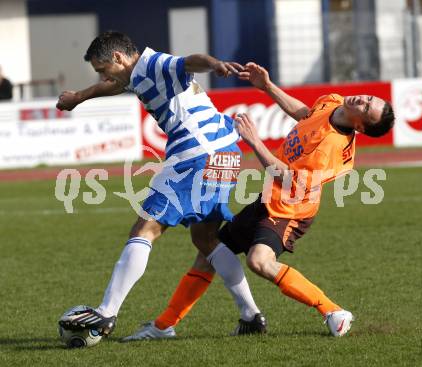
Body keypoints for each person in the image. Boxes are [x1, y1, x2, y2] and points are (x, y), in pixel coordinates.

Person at [128, 62, 395, 340]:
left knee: (259, 260)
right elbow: (306, 115)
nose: (363, 100)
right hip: (269, 200)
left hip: (291, 210)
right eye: (368, 98)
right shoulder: (335, 102)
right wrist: (267, 86)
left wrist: (256, 142)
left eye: (366, 108)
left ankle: (333, 312)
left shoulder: (332, 149)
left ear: (360, 125)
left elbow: (289, 180)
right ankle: (164, 325)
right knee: (209, 255)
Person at [56, 31, 266, 338]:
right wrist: (79, 97)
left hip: (196, 153)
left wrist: (215, 64)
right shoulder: (134, 73)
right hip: (226, 152)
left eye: (102, 68)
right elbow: (115, 84)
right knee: (206, 239)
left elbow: (189, 62)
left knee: (144, 229)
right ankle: (251, 316)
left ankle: (106, 312)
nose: (102, 75)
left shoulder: (154, 64)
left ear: (118, 57)